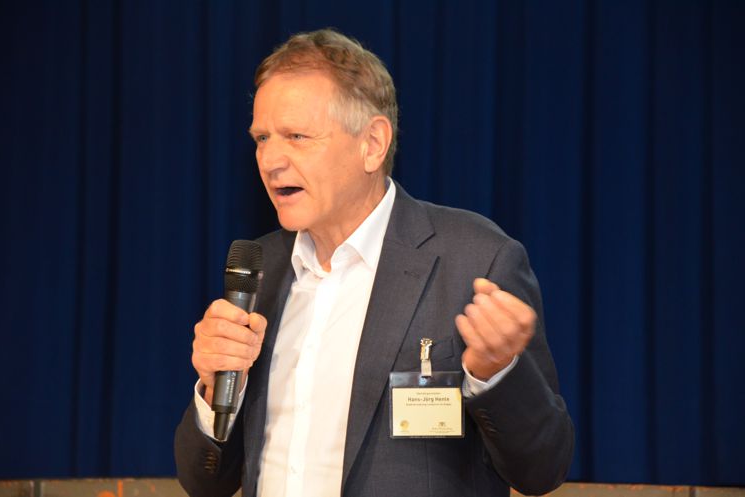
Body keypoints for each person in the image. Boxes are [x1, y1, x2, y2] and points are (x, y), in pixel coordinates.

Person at [175, 28, 574, 497]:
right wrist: (214, 390)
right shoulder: (262, 271)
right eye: (262, 137)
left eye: (297, 136)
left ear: (372, 144)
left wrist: (496, 373)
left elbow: (543, 469)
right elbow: (204, 482)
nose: (270, 160)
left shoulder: (475, 259)